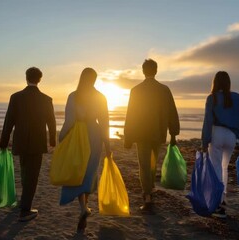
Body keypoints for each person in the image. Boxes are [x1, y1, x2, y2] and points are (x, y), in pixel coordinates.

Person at [0, 67, 56, 222]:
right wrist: (52, 140)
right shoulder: (46, 99)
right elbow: (51, 122)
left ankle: (24, 202)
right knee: (32, 175)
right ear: (40, 79)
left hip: (21, 141)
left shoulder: (16, 97)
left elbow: (8, 121)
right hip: (37, 142)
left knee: (25, 172)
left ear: (26, 78)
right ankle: (25, 210)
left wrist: (4, 141)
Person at [124, 59, 180, 214]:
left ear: (143, 71)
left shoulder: (136, 90)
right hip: (158, 133)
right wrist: (173, 133)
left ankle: (147, 195)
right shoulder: (164, 89)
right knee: (152, 163)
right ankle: (149, 191)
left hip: (141, 134)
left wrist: (127, 136)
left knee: (143, 164)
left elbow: (131, 115)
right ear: (156, 71)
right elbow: (172, 113)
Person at [59, 68, 111, 233]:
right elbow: (104, 123)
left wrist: (61, 138)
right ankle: (85, 206)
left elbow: (69, 121)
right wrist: (108, 144)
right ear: (95, 80)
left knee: (78, 170)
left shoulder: (73, 96)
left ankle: (83, 206)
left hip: (77, 134)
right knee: (89, 172)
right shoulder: (101, 97)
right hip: (94, 135)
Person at [201, 71, 239, 219]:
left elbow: (208, 121)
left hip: (216, 134)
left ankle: (218, 204)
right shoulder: (238, 98)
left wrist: (204, 141)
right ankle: (223, 199)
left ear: (215, 82)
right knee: (224, 168)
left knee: (216, 169)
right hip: (231, 136)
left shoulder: (212, 98)